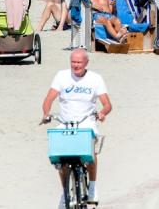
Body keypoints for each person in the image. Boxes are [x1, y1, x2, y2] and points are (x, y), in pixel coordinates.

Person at [42, 49, 113, 205]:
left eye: (79, 62)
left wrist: (102, 113)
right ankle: (65, 191)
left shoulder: (95, 79)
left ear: (86, 63)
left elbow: (107, 104)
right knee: (59, 157)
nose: (76, 65)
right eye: (73, 62)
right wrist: (46, 114)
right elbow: (49, 98)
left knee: (91, 152)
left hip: (86, 121)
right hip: (65, 121)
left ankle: (93, 186)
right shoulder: (62, 76)